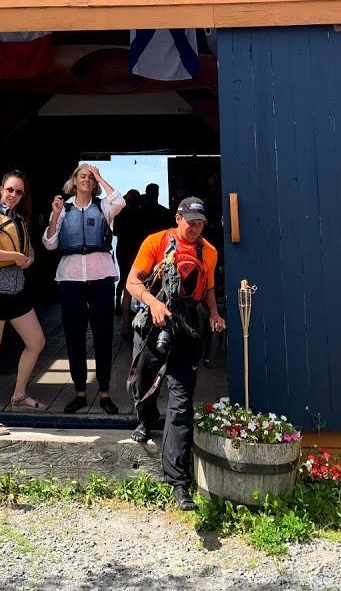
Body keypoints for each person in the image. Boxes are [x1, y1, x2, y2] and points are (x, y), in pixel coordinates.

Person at [126, 196, 225, 510]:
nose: (196, 228)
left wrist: (214, 314)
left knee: (182, 403)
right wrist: (154, 303)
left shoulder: (209, 251)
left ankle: (177, 482)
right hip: (154, 319)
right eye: (191, 221)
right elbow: (132, 282)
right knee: (142, 383)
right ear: (178, 218)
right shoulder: (156, 242)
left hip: (187, 324)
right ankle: (146, 418)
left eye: (201, 223)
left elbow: (208, 288)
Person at [44, 164, 126, 414]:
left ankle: (104, 392)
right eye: (83, 176)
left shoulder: (103, 207)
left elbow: (119, 201)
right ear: (74, 180)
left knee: (103, 335)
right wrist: (55, 215)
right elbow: (49, 244)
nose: (87, 180)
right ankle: (80, 392)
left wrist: (99, 175)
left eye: (91, 177)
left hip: (101, 277)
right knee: (74, 336)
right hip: (70, 279)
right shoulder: (63, 209)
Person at [0, 169, 46, 436]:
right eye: (10, 190)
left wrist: (29, 259)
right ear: (1, 189)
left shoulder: (18, 218)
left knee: (36, 342)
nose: (13, 195)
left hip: (16, 292)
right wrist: (14, 256)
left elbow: (29, 249)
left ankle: (19, 394)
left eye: (19, 192)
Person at [114, 188, 143, 334]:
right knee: (134, 280)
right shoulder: (136, 213)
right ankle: (133, 311)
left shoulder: (120, 212)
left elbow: (115, 232)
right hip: (133, 249)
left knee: (124, 278)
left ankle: (119, 305)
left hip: (122, 248)